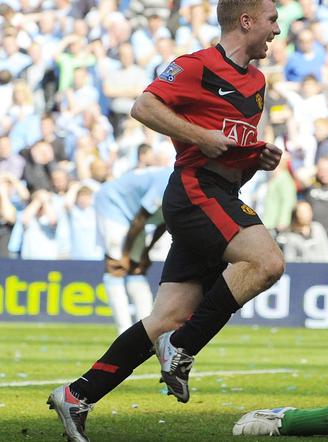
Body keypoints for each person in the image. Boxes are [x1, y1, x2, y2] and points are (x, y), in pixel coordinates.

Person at [47, 2, 284, 441]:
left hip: (223, 192)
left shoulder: (256, 82)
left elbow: (232, 149)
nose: (278, 28)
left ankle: (78, 394)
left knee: (166, 317)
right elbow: (143, 106)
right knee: (267, 262)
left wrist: (259, 158)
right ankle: (183, 348)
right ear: (245, 21)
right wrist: (198, 136)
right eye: (272, 19)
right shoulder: (195, 66)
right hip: (196, 190)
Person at [92, 167, 172, 335]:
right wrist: (127, 255)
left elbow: (165, 223)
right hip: (113, 205)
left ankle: (147, 329)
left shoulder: (184, 187)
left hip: (136, 216)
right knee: (117, 266)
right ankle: (124, 331)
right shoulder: (166, 183)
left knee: (137, 268)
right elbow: (140, 219)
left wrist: (147, 252)